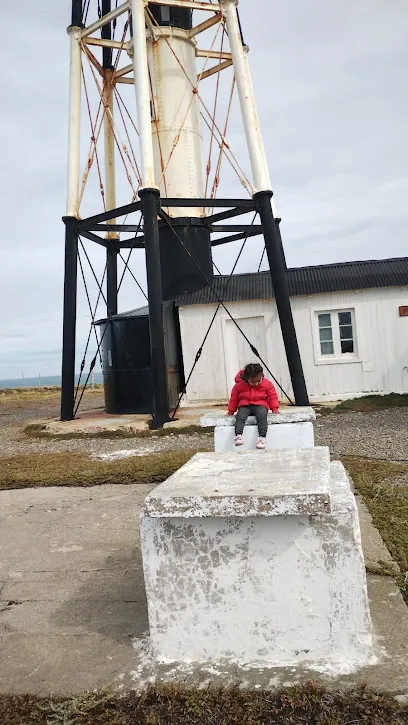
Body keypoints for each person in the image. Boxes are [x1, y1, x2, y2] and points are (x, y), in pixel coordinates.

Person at [227, 363, 279, 449]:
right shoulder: (239, 386)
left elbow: (272, 396)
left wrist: (274, 408)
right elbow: (234, 398)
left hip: (260, 404)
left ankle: (262, 438)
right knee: (240, 416)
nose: (256, 384)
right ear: (247, 378)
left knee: (262, 416)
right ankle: (238, 435)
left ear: (262, 375)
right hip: (245, 405)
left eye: (259, 381)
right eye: (253, 382)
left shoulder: (267, 384)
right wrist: (231, 411)